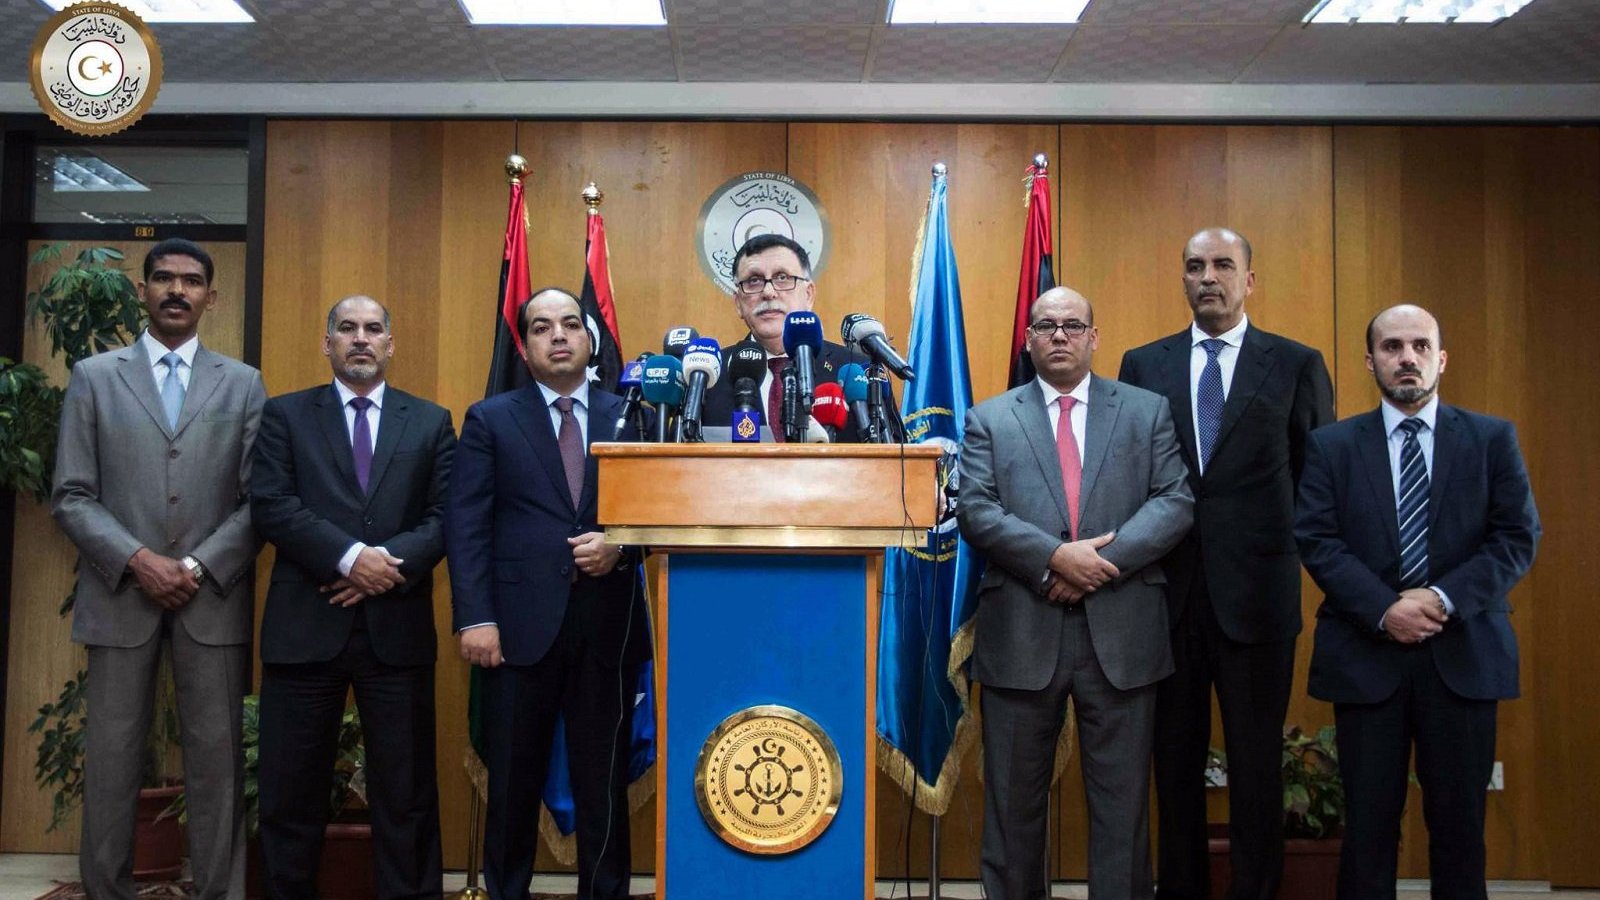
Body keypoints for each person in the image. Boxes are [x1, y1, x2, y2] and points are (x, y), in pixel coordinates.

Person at [1118, 226, 1334, 900]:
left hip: (1258, 601)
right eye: (1194, 266)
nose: (1207, 277)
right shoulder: (1143, 365)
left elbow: (1317, 481)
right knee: (1172, 766)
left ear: (1248, 280)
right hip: (1168, 597)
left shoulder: (1296, 364)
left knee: (1255, 765)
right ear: (1181, 279)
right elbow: (1130, 479)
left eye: (1222, 265)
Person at [1295, 304, 1539, 900]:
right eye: (1393, 346)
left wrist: (1439, 598)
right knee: (1369, 830)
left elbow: (1516, 538)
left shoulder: (1490, 439)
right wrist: (1386, 609)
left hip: (1463, 657)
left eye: (1421, 346)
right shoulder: (1332, 446)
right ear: (1371, 360)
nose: (1407, 358)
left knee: (1459, 830)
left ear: (1441, 358)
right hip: (1366, 658)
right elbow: (1317, 541)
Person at [959, 287, 1193, 900]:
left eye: (1072, 325)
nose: (1059, 335)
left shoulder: (1146, 411)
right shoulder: (991, 418)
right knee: (1012, 812)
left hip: (1122, 636)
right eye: (1045, 326)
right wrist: (1054, 558)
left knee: (1123, 812)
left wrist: (1096, 563)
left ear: (1094, 337)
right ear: (1029, 339)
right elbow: (976, 511)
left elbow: (1175, 502)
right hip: (1021, 635)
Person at [51, 238, 264, 900]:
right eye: (164, 278)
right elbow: (71, 494)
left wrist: (196, 565)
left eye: (192, 280)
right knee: (112, 760)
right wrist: (139, 560)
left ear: (211, 297)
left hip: (211, 599)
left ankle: (217, 892)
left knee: (217, 764)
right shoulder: (94, 377)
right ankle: (105, 890)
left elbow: (260, 501)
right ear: (141, 290)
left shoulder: (243, 382)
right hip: (120, 596)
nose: (177, 289)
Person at [445, 288, 650, 900]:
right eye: (541, 327)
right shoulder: (491, 418)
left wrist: (621, 547)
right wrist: (475, 618)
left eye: (569, 325)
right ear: (527, 346)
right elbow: (467, 525)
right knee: (512, 782)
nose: (557, 336)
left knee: (602, 783)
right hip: (514, 631)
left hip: (606, 629)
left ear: (591, 343)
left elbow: (655, 512)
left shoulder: (630, 414)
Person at [250, 295, 454, 900]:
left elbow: (446, 516)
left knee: (407, 794)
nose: (359, 339)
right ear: (327, 342)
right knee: (290, 795)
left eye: (372, 329)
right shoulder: (285, 416)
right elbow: (273, 505)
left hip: (396, 629)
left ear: (391, 343)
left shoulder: (430, 420)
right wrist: (350, 559)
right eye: (347, 328)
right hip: (305, 627)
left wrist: (384, 567)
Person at [701, 233, 872, 441]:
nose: (769, 292)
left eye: (782, 278)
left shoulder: (855, 371)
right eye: (754, 281)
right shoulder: (706, 379)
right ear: (738, 303)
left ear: (808, 294)